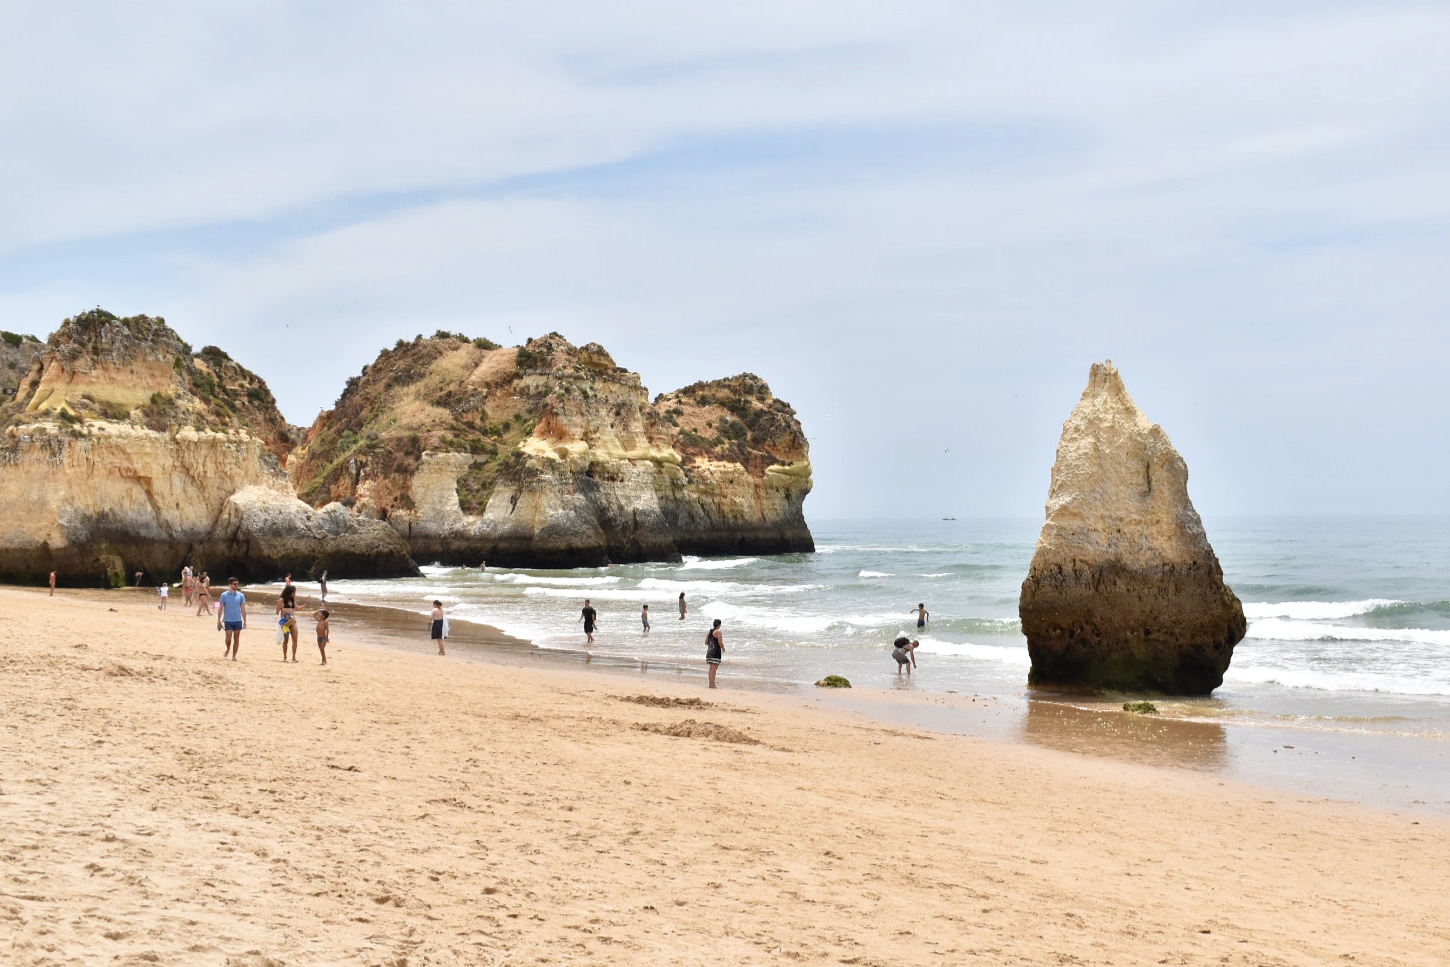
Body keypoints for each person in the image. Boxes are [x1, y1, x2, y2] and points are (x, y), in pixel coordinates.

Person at [217, 578, 247, 660]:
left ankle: (234, 656)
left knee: (237, 638)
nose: (237, 585)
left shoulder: (241, 595)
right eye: (235, 584)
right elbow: (220, 608)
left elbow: (243, 609)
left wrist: (245, 621)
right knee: (228, 638)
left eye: (237, 584)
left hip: (238, 620)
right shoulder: (224, 595)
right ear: (230, 585)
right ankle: (228, 648)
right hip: (228, 619)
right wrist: (218, 619)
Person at [276, 583, 300, 662]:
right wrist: (284, 615)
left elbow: (298, 608)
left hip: (292, 621)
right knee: (286, 640)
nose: (295, 594)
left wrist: (307, 603)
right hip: (285, 622)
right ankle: (285, 657)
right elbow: (277, 612)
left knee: (295, 639)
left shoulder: (293, 600)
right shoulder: (281, 600)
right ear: (290, 592)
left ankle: (294, 657)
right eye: (294, 592)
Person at [705, 618, 724, 688]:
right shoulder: (718, 632)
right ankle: (712, 685)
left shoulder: (709, 631)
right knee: (714, 670)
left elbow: (706, 642)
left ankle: (711, 684)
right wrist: (723, 648)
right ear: (719, 625)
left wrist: (711, 645)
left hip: (709, 651)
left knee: (711, 669)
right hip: (716, 652)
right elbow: (720, 643)